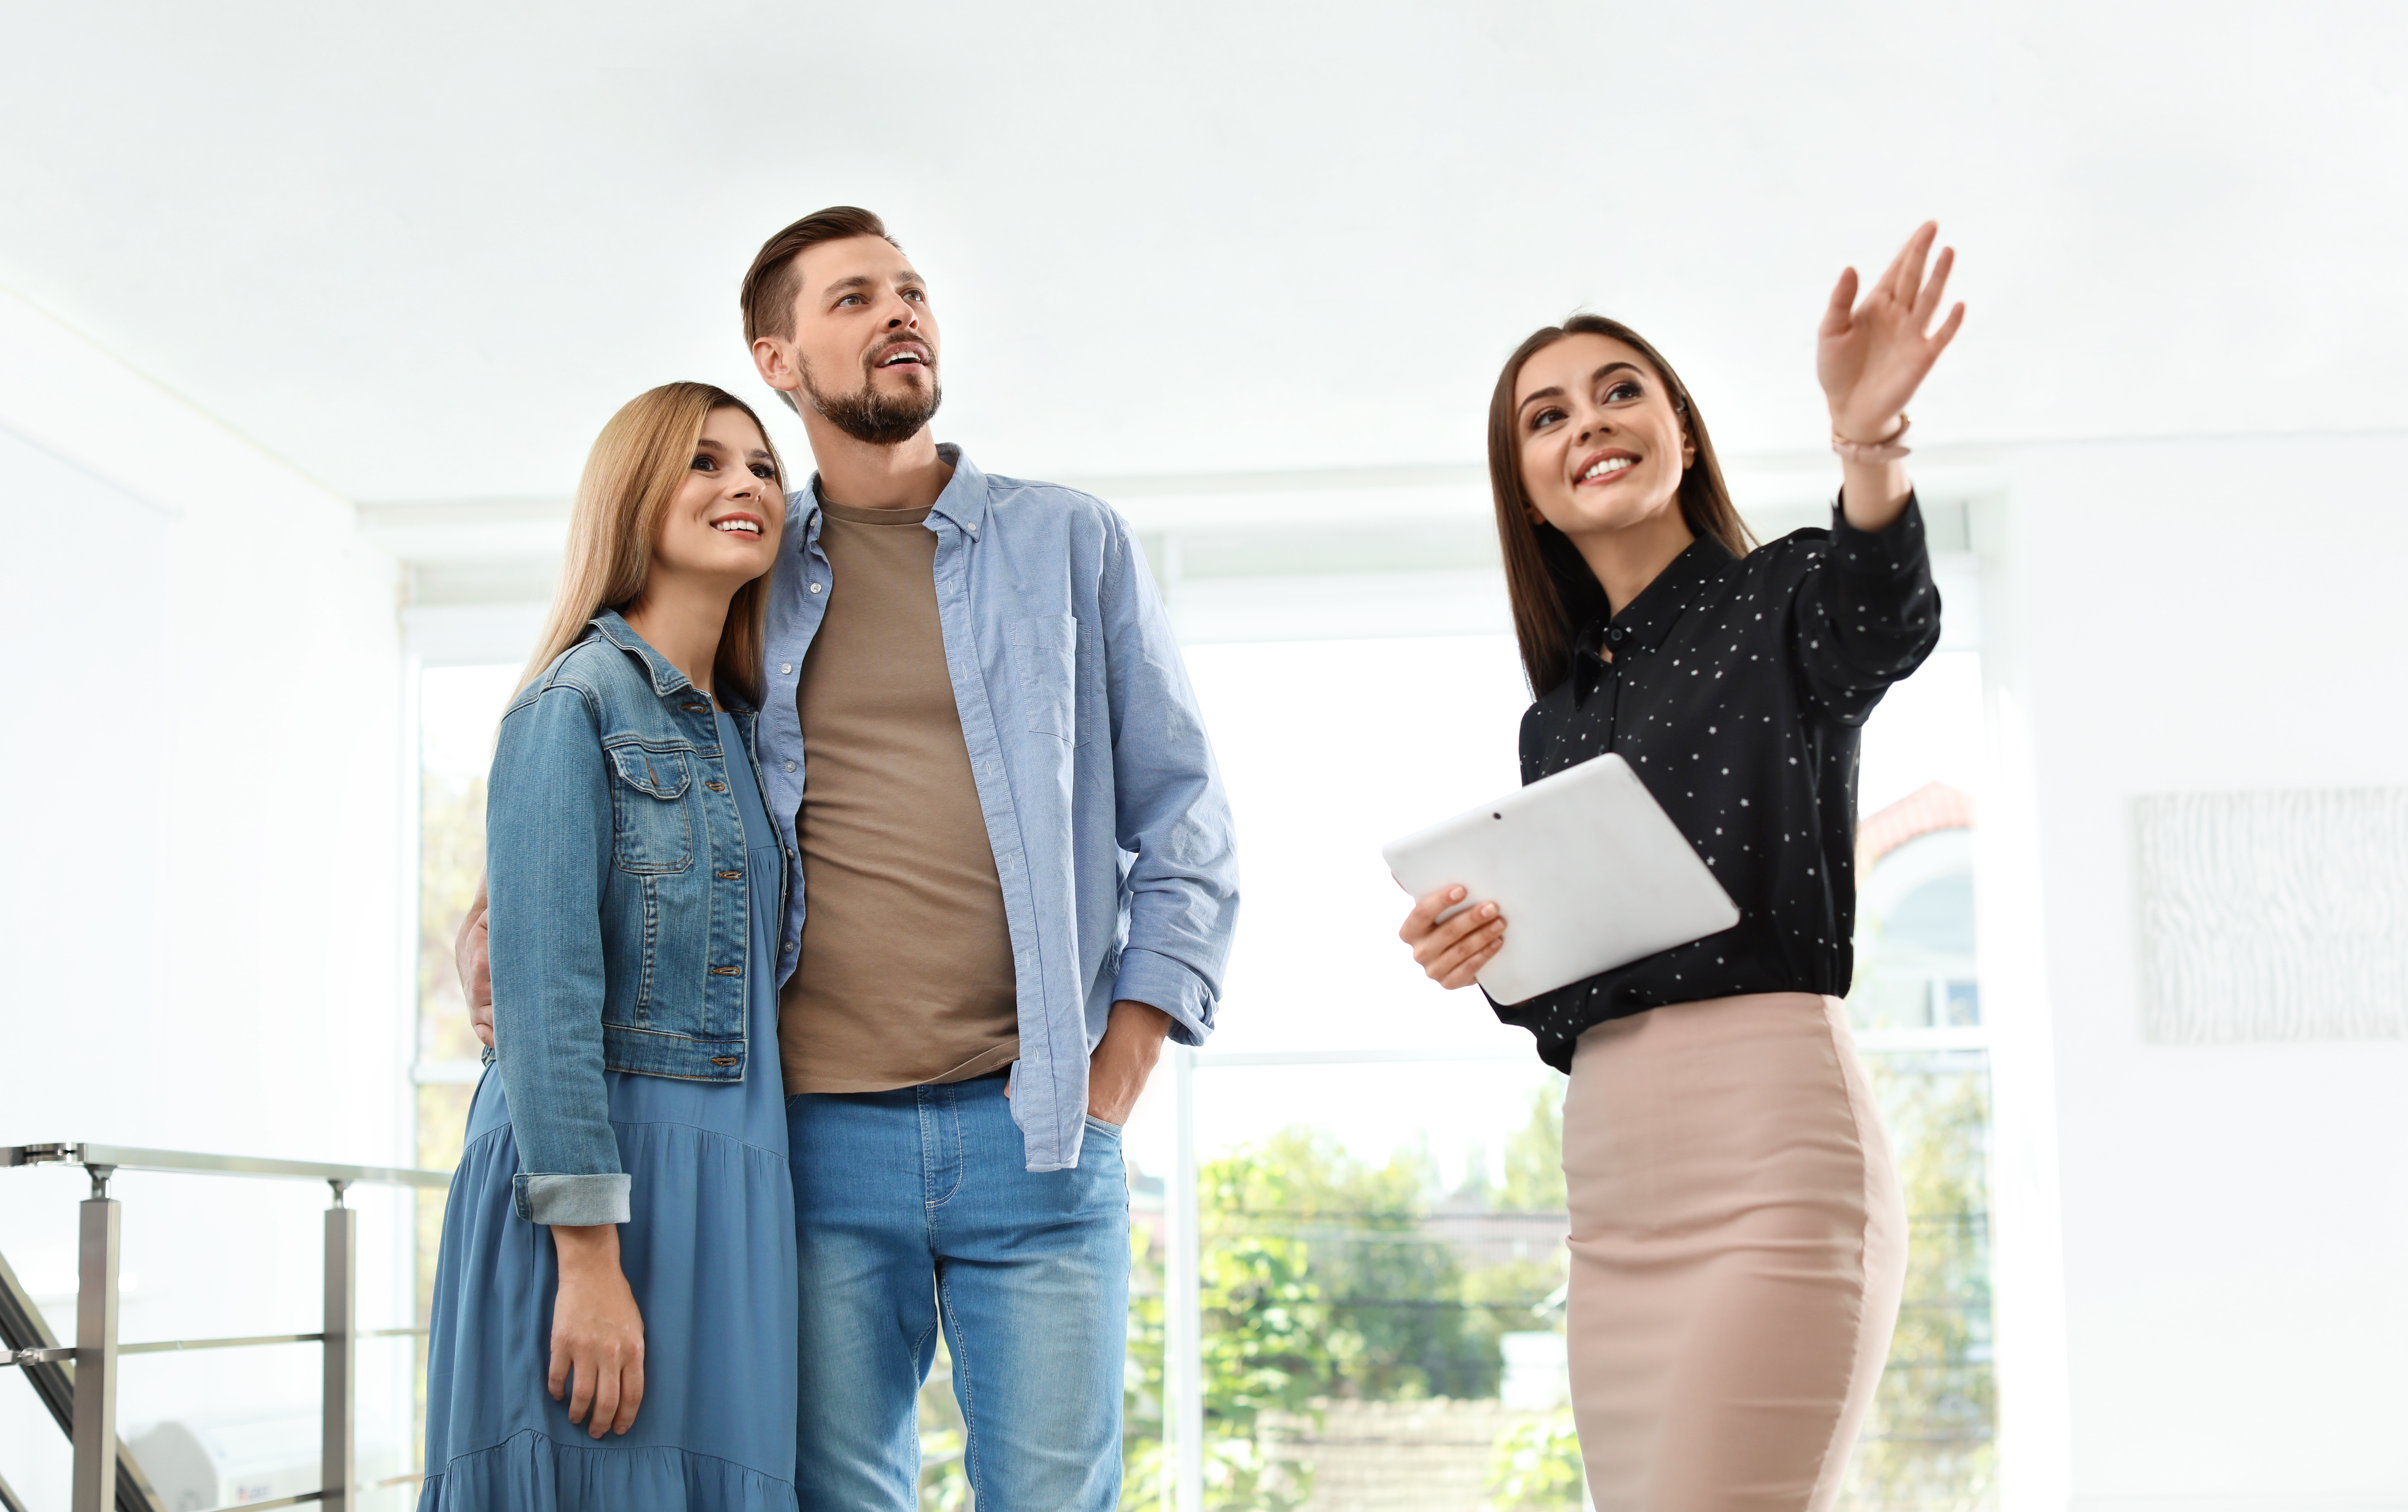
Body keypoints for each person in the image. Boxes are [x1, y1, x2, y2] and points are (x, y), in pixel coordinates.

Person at [458, 206, 1240, 1510]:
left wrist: (1130, 1052)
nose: (901, 314)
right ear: (780, 359)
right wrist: (512, 886)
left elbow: (1186, 815)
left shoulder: (1068, 545)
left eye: (914, 290)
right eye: (855, 298)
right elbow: (645, 730)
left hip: (1038, 1127)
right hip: (812, 1143)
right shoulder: (758, 565)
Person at [1396, 225, 1962, 1510]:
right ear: (1526, 488)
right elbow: (1574, 991)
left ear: (1682, 434)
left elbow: (1887, 618)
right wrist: (1484, 956)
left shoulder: (1785, 601)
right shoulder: (1556, 719)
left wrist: (1869, 444)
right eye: (1546, 417)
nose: (1588, 422)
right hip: (1611, 1192)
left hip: (1770, 1157)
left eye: (1620, 391)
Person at [421, 383, 799, 1508]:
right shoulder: (572, 705)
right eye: (704, 462)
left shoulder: (750, 739)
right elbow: (544, 1001)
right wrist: (587, 1263)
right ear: (632, 496)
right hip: (596, 1202)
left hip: (731, 1204)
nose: (745, 484)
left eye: (764, 468)